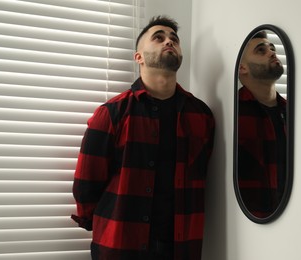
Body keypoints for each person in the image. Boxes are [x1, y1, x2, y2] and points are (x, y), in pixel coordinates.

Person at [71, 15, 215, 260]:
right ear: (138, 57)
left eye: (174, 39)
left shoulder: (201, 115)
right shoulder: (112, 113)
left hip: (180, 247)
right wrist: (106, 225)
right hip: (119, 246)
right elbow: (86, 183)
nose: (169, 42)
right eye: (158, 38)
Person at [237, 31, 286, 218]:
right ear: (242, 68)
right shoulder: (232, 112)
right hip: (251, 227)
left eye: (272, 48)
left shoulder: (294, 113)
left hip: (294, 223)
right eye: (261, 50)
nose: (272, 53)